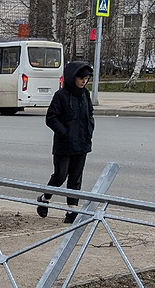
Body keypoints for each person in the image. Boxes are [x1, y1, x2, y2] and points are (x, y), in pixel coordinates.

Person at [37, 61, 95, 224]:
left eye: (87, 79)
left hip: (82, 143)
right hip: (64, 144)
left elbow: (90, 113)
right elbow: (51, 118)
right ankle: (44, 198)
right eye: (81, 78)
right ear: (72, 77)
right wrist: (65, 133)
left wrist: (89, 129)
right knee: (60, 175)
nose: (84, 81)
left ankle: (72, 210)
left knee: (75, 177)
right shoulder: (60, 95)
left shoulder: (85, 95)